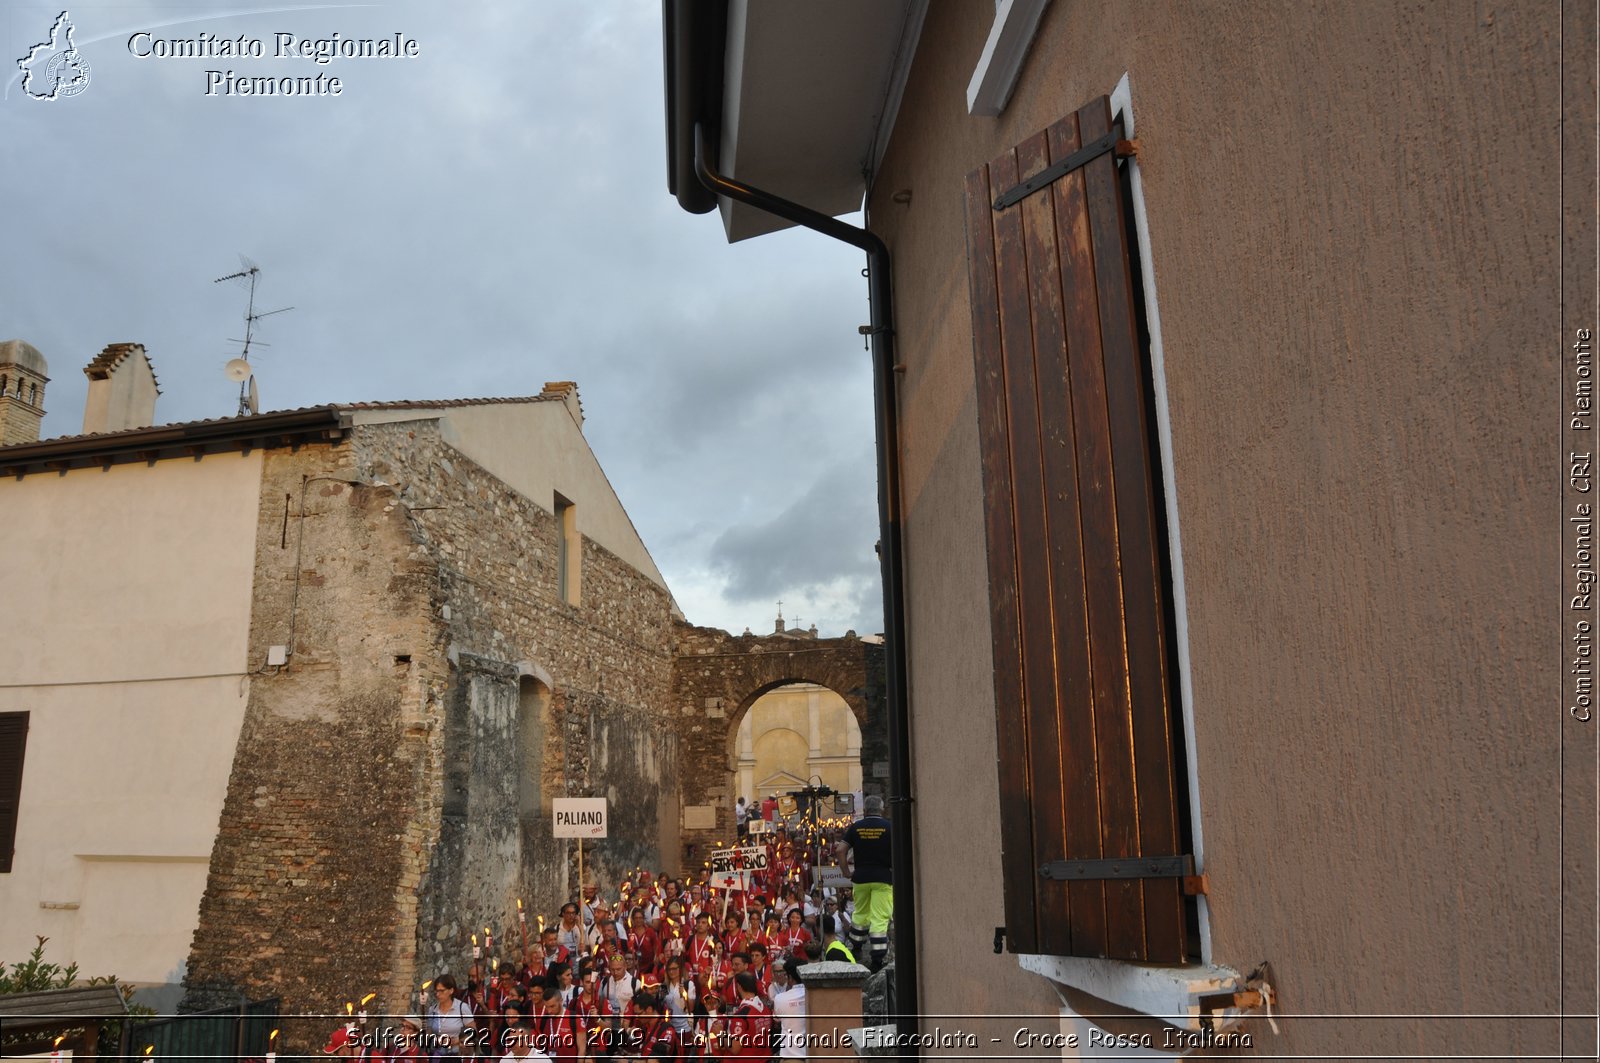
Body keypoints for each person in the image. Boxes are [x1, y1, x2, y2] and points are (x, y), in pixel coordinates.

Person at [837, 794, 892, 970]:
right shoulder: (889, 827)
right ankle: (877, 959)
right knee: (879, 918)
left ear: (865, 811)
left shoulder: (856, 827)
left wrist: (847, 872)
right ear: (882, 809)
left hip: (860, 878)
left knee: (860, 915)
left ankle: (856, 948)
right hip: (883, 878)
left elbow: (840, 850)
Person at [427, 976, 476, 1060]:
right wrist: (436, 1040)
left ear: (451, 990)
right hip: (437, 1056)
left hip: (457, 1055)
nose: (438, 994)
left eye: (441, 991)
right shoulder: (433, 1010)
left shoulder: (462, 1008)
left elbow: (473, 1032)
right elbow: (429, 1034)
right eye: (436, 991)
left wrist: (457, 1040)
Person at [769, 959, 806, 1061]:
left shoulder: (780, 998)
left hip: (791, 1055)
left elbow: (777, 1020)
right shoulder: (813, 995)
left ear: (789, 977)